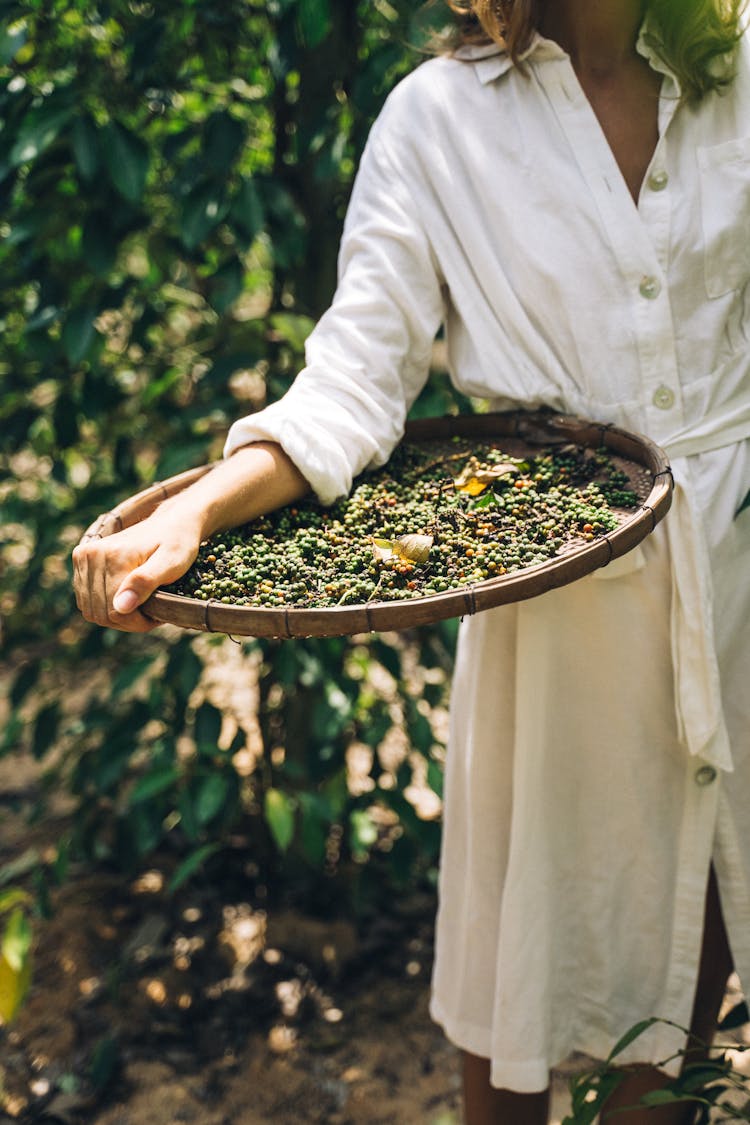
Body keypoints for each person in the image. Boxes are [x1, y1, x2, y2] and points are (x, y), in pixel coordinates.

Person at [73, 0, 750, 1121]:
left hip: (735, 581)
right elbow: (355, 379)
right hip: (561, 612)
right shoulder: (440, 120)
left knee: (697, 945)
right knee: (519, 975)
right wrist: (195, 513)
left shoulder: (730, 70)